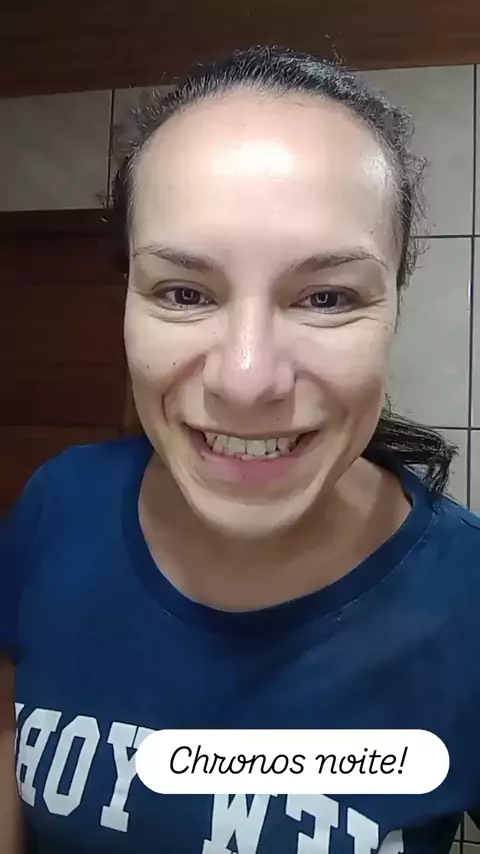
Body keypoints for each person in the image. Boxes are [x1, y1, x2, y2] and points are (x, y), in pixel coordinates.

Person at [1, 45, 480, 854]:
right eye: (184, 292)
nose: (247, 380)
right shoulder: (60, 503)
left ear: (394, 309)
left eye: (326, 297)